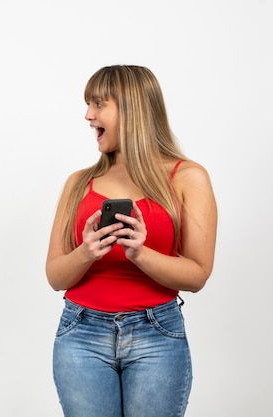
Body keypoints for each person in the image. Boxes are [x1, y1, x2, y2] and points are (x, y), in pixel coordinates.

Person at [46, 65, 217, 417]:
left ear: (131, 108)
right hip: (81, 334)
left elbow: (197, 275)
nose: (88, 115)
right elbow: (55, 276)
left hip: (156, 334)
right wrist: (86, 253)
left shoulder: (187, 177)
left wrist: (140, 253)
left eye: (98, 104)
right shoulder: (78, 183)